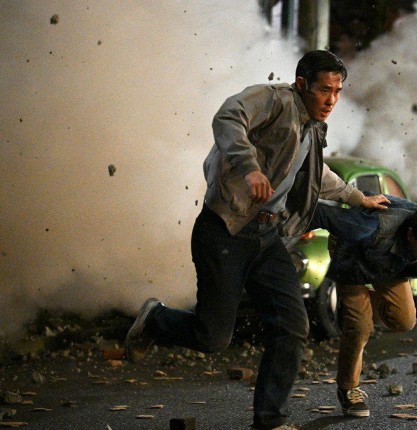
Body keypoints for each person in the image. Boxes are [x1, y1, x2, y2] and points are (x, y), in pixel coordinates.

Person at [124, 50, 389, 430]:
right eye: (324, 90)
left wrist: (358, 198)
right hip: (225, 230)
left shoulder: (313, 127)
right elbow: (228, 117)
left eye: (338, 91)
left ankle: (270, 421)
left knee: (292, 327)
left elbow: (317, 174)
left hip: (267, 237)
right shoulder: (276, 100)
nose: (331, 100)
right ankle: (157, 318)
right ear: (302, 84)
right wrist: (249, 169)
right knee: (212, 337)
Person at [307, 195, 417, 417]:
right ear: (411, 235)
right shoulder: (370, 226)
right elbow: (322, 213)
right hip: (352, 259)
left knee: (405, 320)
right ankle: (348, 389)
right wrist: (283, 219)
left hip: (388, 263)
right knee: (360, 326)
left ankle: (360, 306)